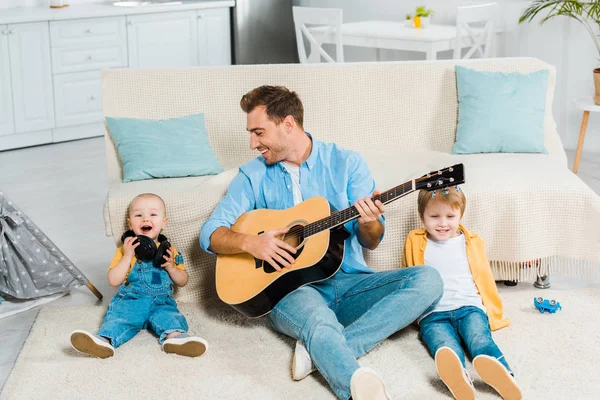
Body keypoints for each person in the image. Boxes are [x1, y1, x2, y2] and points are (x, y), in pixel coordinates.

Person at [200, 85, 443, 400]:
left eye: (258, 132)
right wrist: (252, 244)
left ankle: (324, 348)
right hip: (290, 289)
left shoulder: (345, 163)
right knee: (317, 318)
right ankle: (355, 385)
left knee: (429, 280)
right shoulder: (252, 176)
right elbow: (211, 232)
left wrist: (370, 222)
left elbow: (372, 241)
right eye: (251, 133)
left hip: (352, 282)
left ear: (288, 124)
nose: (252, 143)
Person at [403, 187, 522, 400]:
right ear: (422, 216)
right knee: (443, 346)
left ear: (460, 216)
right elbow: (410, 275)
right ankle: (459, 378)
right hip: (433, 314)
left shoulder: (471, 241)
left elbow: (483, 275)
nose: (442, 223)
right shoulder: (415, 240)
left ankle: (505, 375)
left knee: (479, 339)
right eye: (434, 216)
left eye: (450, 216)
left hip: (469, 307)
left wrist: (491, 309)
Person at [70, 193, 208, 358]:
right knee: (118, 319)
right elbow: (113, 280)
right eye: (138, 215)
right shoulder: (124, 250)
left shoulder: (169, 251)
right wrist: (128, 256)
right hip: (131, 302)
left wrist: (172, 268)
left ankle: (177, 339)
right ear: (130, 223)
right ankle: (103, 341)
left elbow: (183, 281)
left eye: (153, 214)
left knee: (171, 317)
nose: (145, 219)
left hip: (161, 303)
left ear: (164, 222)